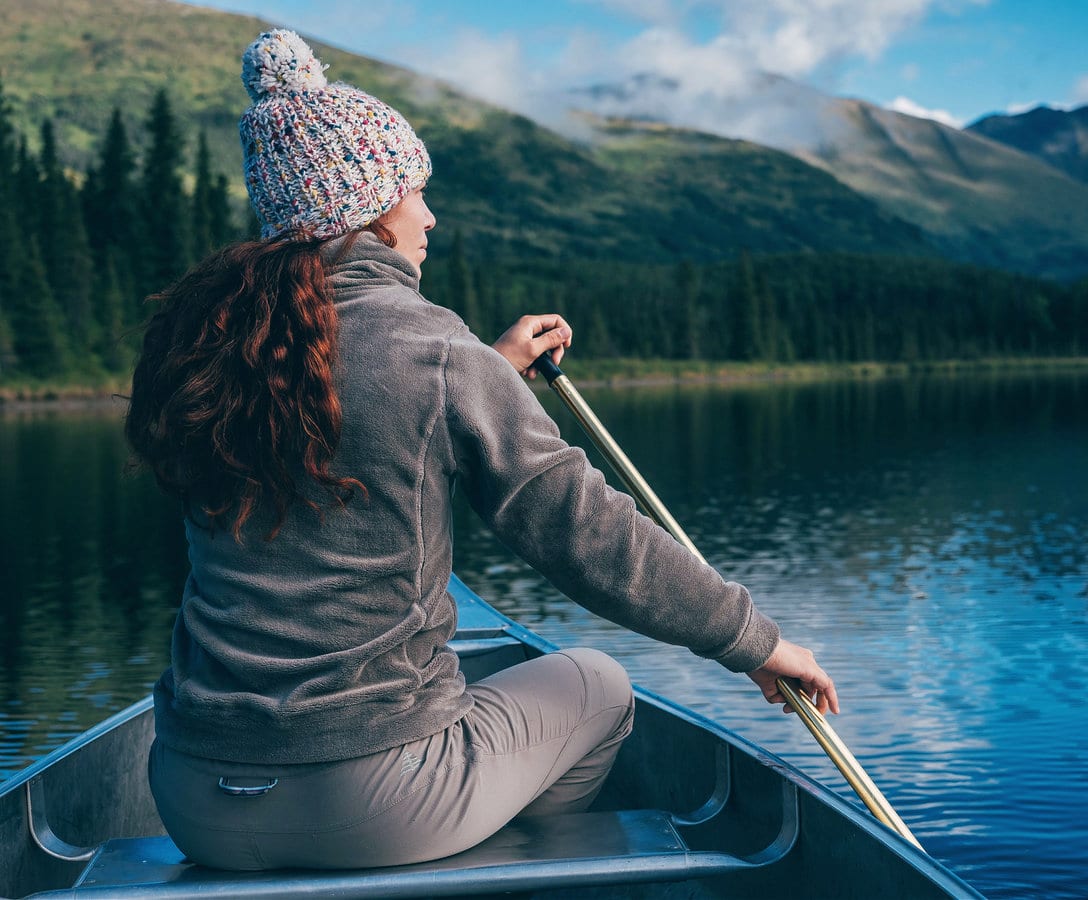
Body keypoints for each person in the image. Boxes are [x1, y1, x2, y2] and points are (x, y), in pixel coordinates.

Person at [124, 29, 838, 872]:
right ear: (370, 208)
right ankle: (474, 879)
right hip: (371, 806)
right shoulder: (433, 351)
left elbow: (355, 420)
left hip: (190, 798)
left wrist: (492, 377)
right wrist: (756, 641)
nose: (428, 215)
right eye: (414, 192)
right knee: (600, 688)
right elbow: (591, 538)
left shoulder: (216, 349)